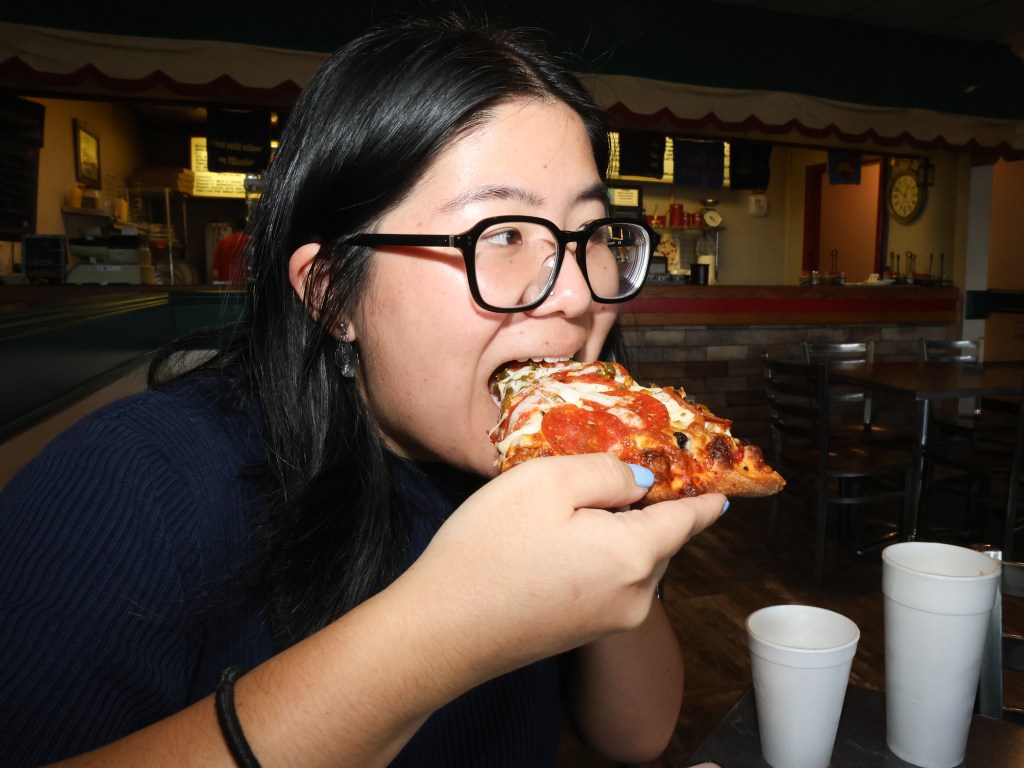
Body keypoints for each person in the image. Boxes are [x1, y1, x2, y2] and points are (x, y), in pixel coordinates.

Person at [0, 17, 726, 767]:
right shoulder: (130, 481)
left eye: (593, 232)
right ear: (332, 294)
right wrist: (443, 630)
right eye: (503, 234)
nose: (576, 292)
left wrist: (628, 536)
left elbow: (637, 735)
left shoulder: (542, 465)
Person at [212, 216, 250, 284]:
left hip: (226, 287)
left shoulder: (222, 243)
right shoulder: (250, 242)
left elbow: (215, 273)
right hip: (245, 286)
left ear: (234, 228)